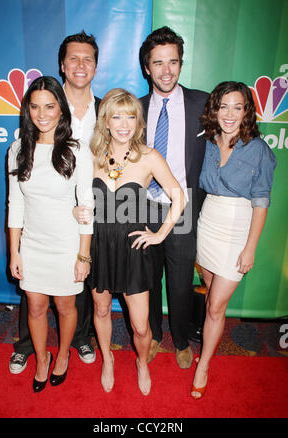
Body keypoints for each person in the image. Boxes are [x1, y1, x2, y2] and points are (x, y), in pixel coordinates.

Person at [77, 88, 186, 395]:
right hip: (98, 246)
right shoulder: (92, 156)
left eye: (131, 116)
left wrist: (160, 233)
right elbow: (76, 197)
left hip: (134, 249)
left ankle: (141, 362)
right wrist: (75, 209)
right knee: (100, 311)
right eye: (116, 116)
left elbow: (179, 196)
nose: (124, 123)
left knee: (140, 326)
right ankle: (107, 359)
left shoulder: (149, 157)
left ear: (139, 122)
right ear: (106, 121)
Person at [9, 31, 100, 374]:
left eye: (50, 106)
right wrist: (15, 251)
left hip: (66, 246)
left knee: (66, 308)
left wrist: (82, 255)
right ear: (27, 109)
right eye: (35, 106)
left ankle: (62, 355)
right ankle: (42, 358)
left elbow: (86, 206)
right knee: (33, 307)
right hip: (32, 246)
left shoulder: (76, 151)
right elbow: (15, 205)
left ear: (60, 109)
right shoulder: (17, 150)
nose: (42, 113)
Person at [191, 81, 277, 399]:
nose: (229, 114)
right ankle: (207, 348)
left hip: (237, 230)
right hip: (208, 223)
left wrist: (250, 247)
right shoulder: (207, 142)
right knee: (212, 294)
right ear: (215, 109)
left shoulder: (259, 150)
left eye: (237, 107)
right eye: (223, 106)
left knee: (215, 305)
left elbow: (261, 202)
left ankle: (204, 365)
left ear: (246, 111)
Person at [139, 26, 209, 368]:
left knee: (181, 282)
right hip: (142, 209)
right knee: (148, 279)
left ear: (180, 65)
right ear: (147, 68)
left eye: (173, 62)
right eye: (158, 63)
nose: (166, 70)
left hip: (182, 209)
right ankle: (152, 334)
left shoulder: (203, 103)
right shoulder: (134, 109)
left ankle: (180, 339)